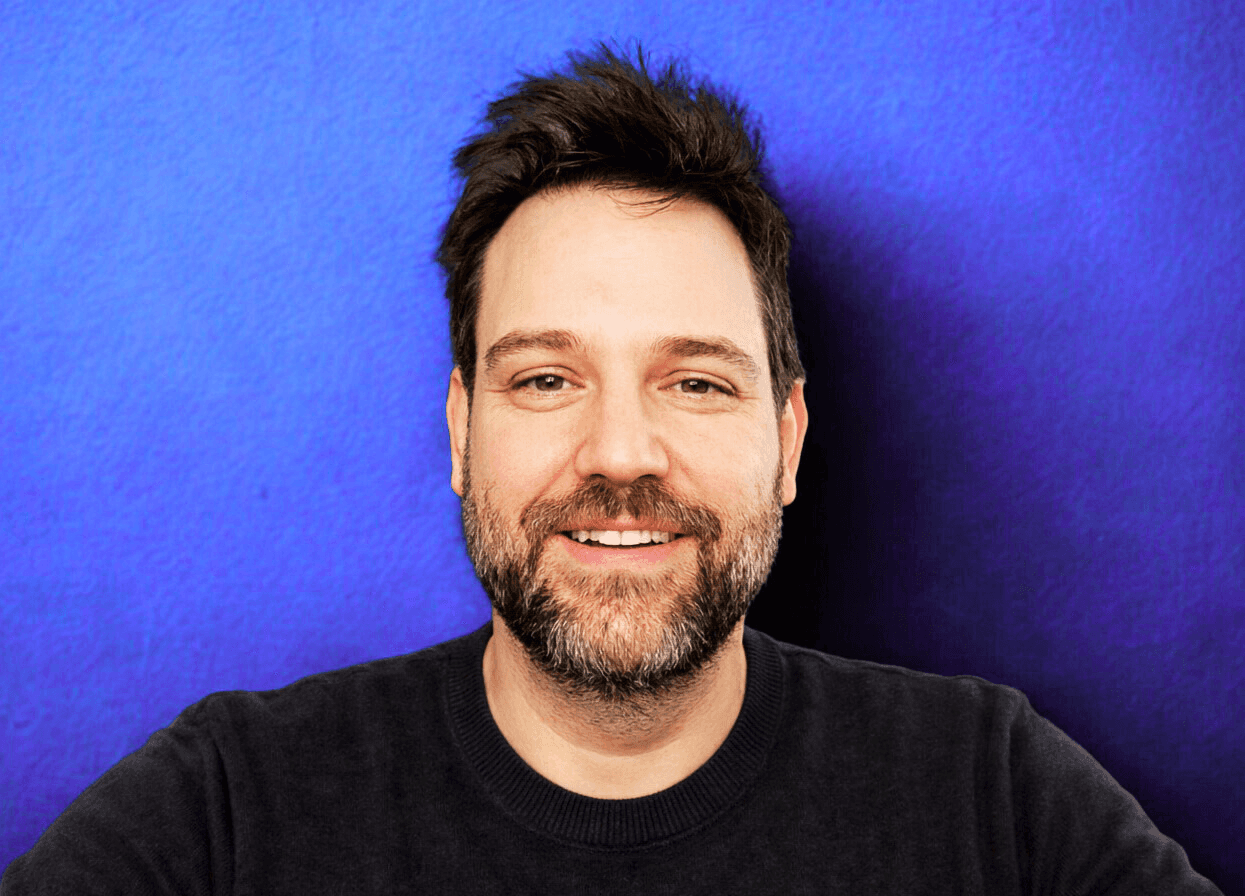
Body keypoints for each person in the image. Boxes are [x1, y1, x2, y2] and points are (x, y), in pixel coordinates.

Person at [2, 45, 1222, 895]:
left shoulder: (989, 799)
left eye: (697, 380)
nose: (623, 454)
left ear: (788, 440)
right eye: (545, 378)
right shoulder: (231, 811)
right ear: (459, 432)